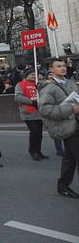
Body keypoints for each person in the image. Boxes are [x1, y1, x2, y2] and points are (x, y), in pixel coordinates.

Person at [38, 59, 79, 199]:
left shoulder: (71, 83)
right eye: (58, 66)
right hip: (68, 127)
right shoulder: (48, 88)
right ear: (51, 70)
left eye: (63, 66)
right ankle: (63, 186)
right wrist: (70, 109)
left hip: (76, 123)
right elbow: (44, 110)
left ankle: (63, 186)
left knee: (69, 158)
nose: (62, 68)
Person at [15, 69, 48, 161]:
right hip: (28, 112)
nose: (34, 76)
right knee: (34, 132)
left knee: (39, 133)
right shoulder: (20, 84)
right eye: (32, 74)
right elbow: (18, 97)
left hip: (38, 112)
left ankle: (38, 151)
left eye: (35, 74)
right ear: (27, 75)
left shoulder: (37, 84)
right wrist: (31, 102)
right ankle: (32, 151)